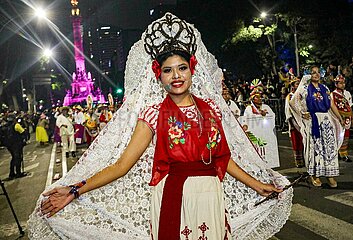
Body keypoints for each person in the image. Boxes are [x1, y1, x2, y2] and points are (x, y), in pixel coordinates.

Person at [29, 13, 292, 239]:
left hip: (210, 195)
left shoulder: (211, 110)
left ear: (192, 70)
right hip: (172, 197)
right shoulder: (153, 114)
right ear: (159, 75)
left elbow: (223, 159)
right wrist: (74, 190)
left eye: (182, 68)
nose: (176, 76)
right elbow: (121, 166)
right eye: (168, 70)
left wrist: (258, 185)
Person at [290, 66, 344, 188]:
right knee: (314, 148)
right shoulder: (304, 88)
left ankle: (330, 174)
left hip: (326, 120)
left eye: (318, 72)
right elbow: (293, 102)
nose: (316, 74)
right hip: (312, 121)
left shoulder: (325, 88)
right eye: (313, 72)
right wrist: (302, 113)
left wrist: (340, 118)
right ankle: (314, 175)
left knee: (329, 147)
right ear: (308, 75)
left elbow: (331, 104)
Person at [331, 75, 352, 162]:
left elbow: (350, 106)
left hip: (347, 117)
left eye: (343, 83)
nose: (343, 84)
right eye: (340, 83)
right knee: (337, 136)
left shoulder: (347, 93)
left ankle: (344, 153)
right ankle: (336, 153)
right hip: (337, 118)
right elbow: (332, 107)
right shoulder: (333, 94)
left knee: (346, 136)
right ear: (336, 84)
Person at [285, 78, 304, 168]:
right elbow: (288, 111)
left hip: (304, 122)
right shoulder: (290, 96)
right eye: (296, 84)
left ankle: (307, 159)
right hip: (294, 123)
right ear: (293, 85)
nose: (298, 85)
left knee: (305, 141)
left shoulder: (302, 95)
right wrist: (292, 123)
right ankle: (299, 161)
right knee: (297, 142)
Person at [4, 113, 27, 180]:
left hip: (9, 145)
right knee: (18, 158)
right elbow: (22, 132)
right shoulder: (16, 125)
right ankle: (18, 173)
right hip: (16, 144)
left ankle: (11, 173)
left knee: (13, 158)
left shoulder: (5, 126)